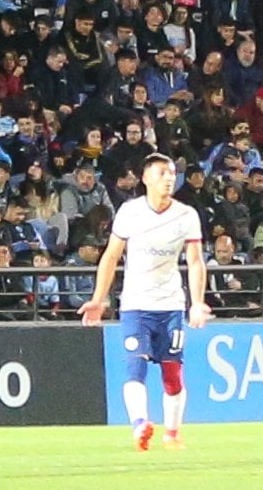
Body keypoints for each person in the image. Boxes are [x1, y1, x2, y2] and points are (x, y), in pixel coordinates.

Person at [82, 152, 211, 450]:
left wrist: (197, 302)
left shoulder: (186, 215)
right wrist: (98, 299)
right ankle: (140, 425)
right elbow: (111, 256)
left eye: (171, 174)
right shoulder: (130, 212)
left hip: (170, 305)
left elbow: (194, 262)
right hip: (136, 304)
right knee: (134, 367)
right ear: (146, 178)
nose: (169, 179)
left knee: (172, 375)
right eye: (162, 173)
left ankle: (173, 432)